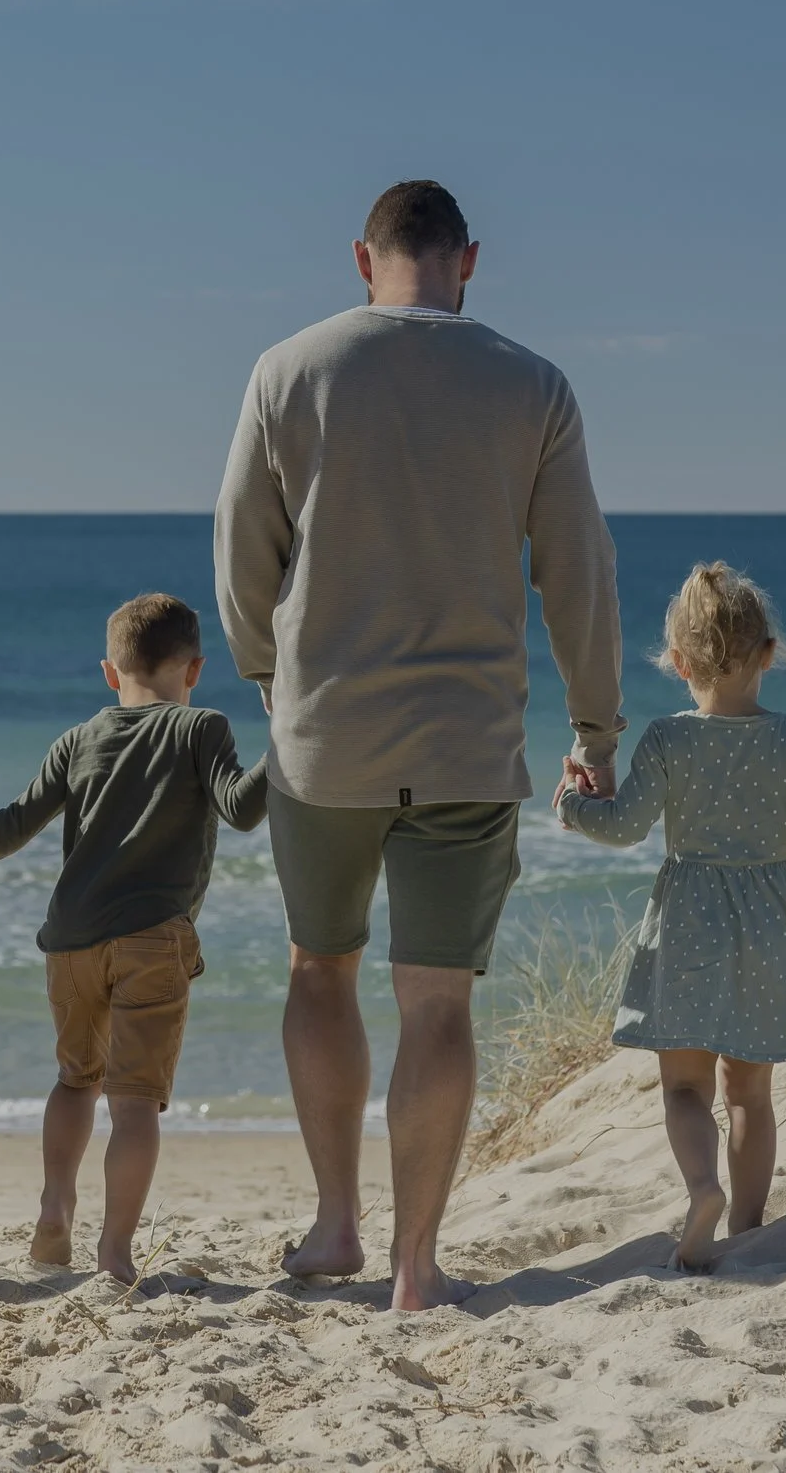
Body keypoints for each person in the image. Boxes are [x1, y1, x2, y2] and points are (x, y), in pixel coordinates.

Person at [214, 181, 625, 1310]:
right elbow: (577, 569)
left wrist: (267, 674)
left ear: (363, 257)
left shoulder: (286, 370)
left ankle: (335, 1223)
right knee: (438, 1003)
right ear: (470, 261)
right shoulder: (533, 385)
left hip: (324, 739)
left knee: (319, 967)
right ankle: (414, 1264)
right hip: (466, 741)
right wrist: (595, 722)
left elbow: (243, 555)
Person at [0, 594, 267, 1284]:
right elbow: (241, 808)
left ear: (110, 673)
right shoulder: (200, 727)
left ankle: (56, 1207)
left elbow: (16, 820)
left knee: (74, 1080)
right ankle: (114, 1251)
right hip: (153, 939)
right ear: (196, 668)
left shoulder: (79, 738)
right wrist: (294, 738)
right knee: (135, 1101)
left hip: (71, 943)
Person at [555, 562, 786, 1267]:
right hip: (769, 929)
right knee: (750, 1091)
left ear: (677, 662)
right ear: (767, 654)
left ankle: (702, 1187)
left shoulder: (667, 738)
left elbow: (626, 824)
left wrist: (574, 805)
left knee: (686, 1085)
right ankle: (748, 1230)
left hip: (689, 922)